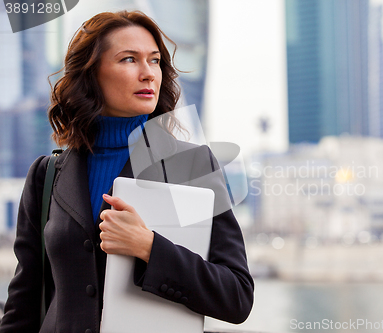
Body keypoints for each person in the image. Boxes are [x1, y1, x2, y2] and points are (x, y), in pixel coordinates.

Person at [0, 10, 254, 333]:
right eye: (129, 60)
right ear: (91, 74)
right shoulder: (45, 175)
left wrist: (148, 246)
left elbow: (237, 295)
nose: (149, 73)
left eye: (155, 60)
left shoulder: (192, 166)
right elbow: (22, 305)